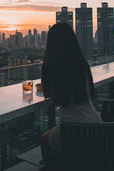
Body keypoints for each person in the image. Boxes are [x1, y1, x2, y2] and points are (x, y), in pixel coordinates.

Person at [40, 23, 102, 171]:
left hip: (71, 131)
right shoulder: (82, 65)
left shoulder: (51, 66)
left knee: (44, 138)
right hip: (97, 127)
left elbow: (48, 93)